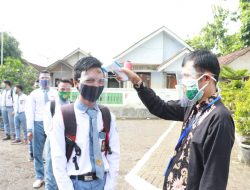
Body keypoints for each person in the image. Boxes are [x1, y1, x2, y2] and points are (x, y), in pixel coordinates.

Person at [120, 50, 235, 190]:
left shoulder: (219, 119)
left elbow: (213, 179)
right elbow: (160, 107)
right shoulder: (193, 106)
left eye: (187, 76)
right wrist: (137, 82)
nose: (183, 82)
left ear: (206, 78)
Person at [50, 56, 120, 190]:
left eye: (100, 81)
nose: (96, 85)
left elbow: (114, 154)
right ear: (76, 83)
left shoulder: (107, 116)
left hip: (103, 182)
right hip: (75, 183)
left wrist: (110, 185)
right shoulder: (63, 115)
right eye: (90, 80)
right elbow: (58, 160)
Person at [26, 70, 58, 188]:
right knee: (37, 152)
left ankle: (52, 176)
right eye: (43, 78)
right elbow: (30, 112)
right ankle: (39, 177)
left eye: (47, 78)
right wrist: (29, 129)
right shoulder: (34, 94)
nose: (45, 80)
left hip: (52, 124)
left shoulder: (55, 93)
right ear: (39, 79)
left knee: (53, 151)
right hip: (38, 123)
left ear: (50, 79)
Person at [43, 79, 72, 190]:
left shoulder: (73, 105)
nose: (65, 91)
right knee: (51, 174)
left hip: (69, 143)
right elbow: (47, 129)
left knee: (66, 172)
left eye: (68, 89)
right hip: (53, 144)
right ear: (57, 90)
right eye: (62, 89)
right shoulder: (51, 106)